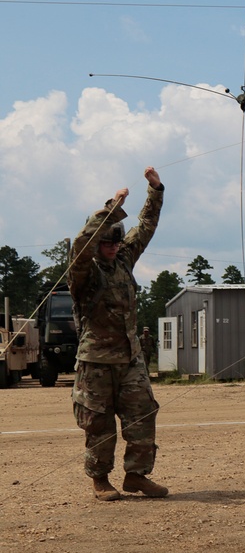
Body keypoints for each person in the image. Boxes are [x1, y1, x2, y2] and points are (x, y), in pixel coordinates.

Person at [68, 167, 169, 501]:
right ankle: (100, 479)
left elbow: (145, 229)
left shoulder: (124, 259)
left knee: (142, 414)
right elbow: (82, 244)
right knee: (98, 423)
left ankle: (136, 476)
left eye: (115, 241)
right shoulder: (83, 271)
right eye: (106, 242)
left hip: (129, 358)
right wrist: (110, 208)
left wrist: (155, 191)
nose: (112, 246)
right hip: (95, 361)